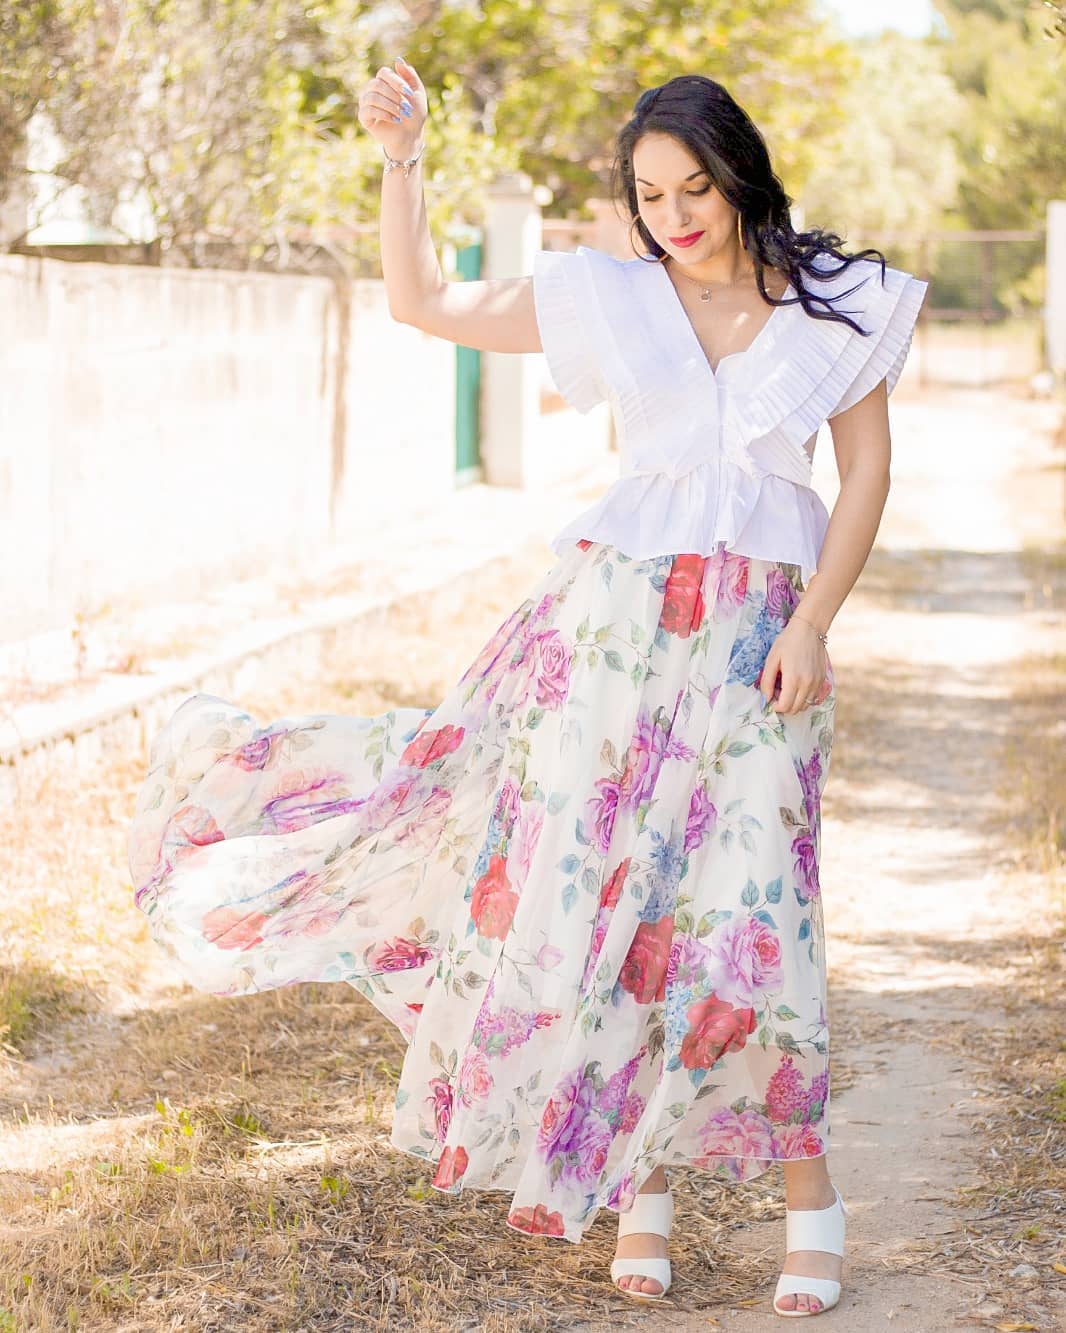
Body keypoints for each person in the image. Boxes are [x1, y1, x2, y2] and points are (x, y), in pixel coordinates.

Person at [128, 57, 928, 1318]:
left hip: (762, 646)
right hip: (610, 642)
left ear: (738, 172)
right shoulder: (607, 299)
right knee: (611, 909)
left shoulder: (837, 304)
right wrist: (404, 162)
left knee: (753, 916)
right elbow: (422, 301)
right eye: (651, 193)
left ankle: (808, 1197)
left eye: (695, 187)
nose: (674, 214)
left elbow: (868, 474)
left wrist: (817, 620)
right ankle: (641, 1179)